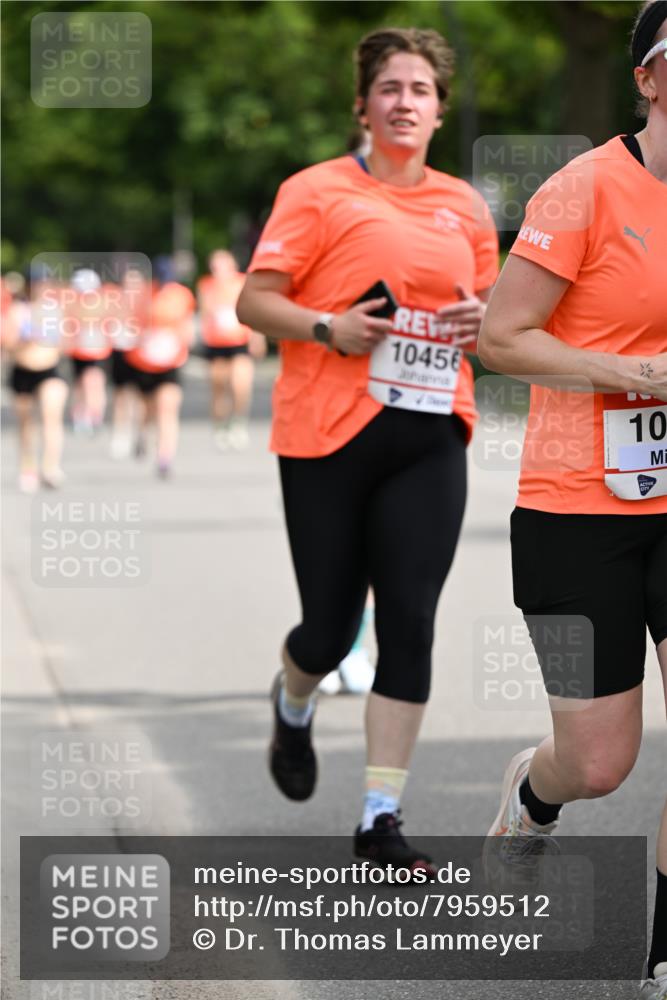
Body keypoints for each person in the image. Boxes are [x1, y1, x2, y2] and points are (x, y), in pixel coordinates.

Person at [238, 26, 498, 871]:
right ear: (362, 103)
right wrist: (329, 326)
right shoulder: (314, 190)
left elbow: (496, 317)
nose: (404, 101)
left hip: (430, 433)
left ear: (438, 109)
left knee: (410, 624)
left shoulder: (464, 206)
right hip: (325, 433)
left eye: (420, 89)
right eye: (389, 87)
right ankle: (294, 695)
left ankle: (379, 818)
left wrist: (480, 324)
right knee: (326, 628)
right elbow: (253, 301)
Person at [478, 2, 666, 993]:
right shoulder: (585, 187)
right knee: (597, 765)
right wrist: (631, 375)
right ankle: (533, 794)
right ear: (647, 76)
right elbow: (502, 339)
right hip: (574, 508)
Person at [124, 258, 195, 478]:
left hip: (170, 362)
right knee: (147, 409)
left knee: (167, 408)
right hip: (144, 362)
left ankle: (165, 456)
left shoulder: (182, 295)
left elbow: (187, 324)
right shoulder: (143, 296)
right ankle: (142, 434)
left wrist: (183, 343)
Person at [2, 273, 68, 491]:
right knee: (26, 423)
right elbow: (7, 343)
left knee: (51, 416)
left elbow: (65, 341)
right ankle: (27, 466)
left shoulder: (54, 310)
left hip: (49, 370)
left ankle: (50, 467)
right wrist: (23, 340)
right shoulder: (17, 310)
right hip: (23, 371)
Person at [197, 250, 265, 451]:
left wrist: (257, 338)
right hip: (216, 343)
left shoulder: (243, 282)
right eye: (215, 266)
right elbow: (204, 313)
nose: (218, 269)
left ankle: (238, 422)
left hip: (239, 341)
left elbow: (254, 311)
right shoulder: (207, 285)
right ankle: (220, 425)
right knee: (218, 387)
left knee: (240, 385)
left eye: (222, 264)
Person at [64, 269, 112, 434]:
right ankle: (80, 414)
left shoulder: (103, 302)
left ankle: (95, 415)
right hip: (79, 351)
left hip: (98, 351)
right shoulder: (73, 303)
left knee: (94, 381)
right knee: (80, 384)